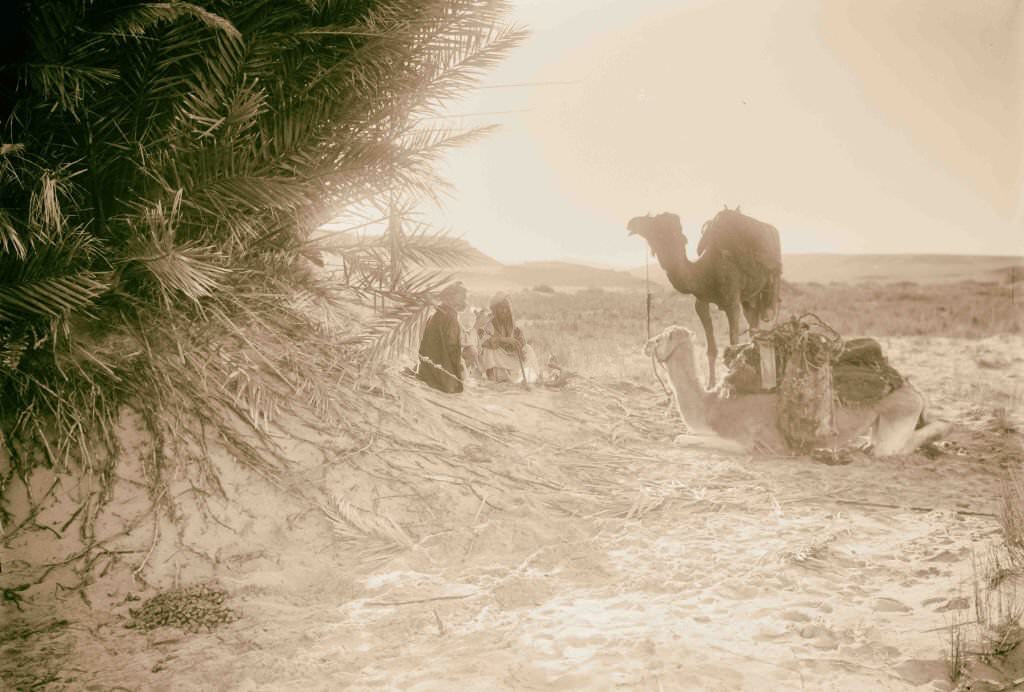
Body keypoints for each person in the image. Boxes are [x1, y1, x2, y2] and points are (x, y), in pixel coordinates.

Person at [417, 281, 468, 393]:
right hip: (443, 372)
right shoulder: (450, 317)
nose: (465, 300)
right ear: (451, 298)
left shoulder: (436, 314)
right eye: (462, 297)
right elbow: (452, 347)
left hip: (427, 369)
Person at [477, 292, 539, 383]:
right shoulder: (489, 321)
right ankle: (493, 377)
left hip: (507, 354)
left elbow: (518, 340)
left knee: (528, 349)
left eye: (506, 308)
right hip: (496, 353)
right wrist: (504, 340)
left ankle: (528, 378)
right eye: (501, 308)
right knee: (489, 351)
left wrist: (519, 343)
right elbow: (483, 342)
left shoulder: (510, 322)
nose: (504, 311)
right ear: (495, 308)